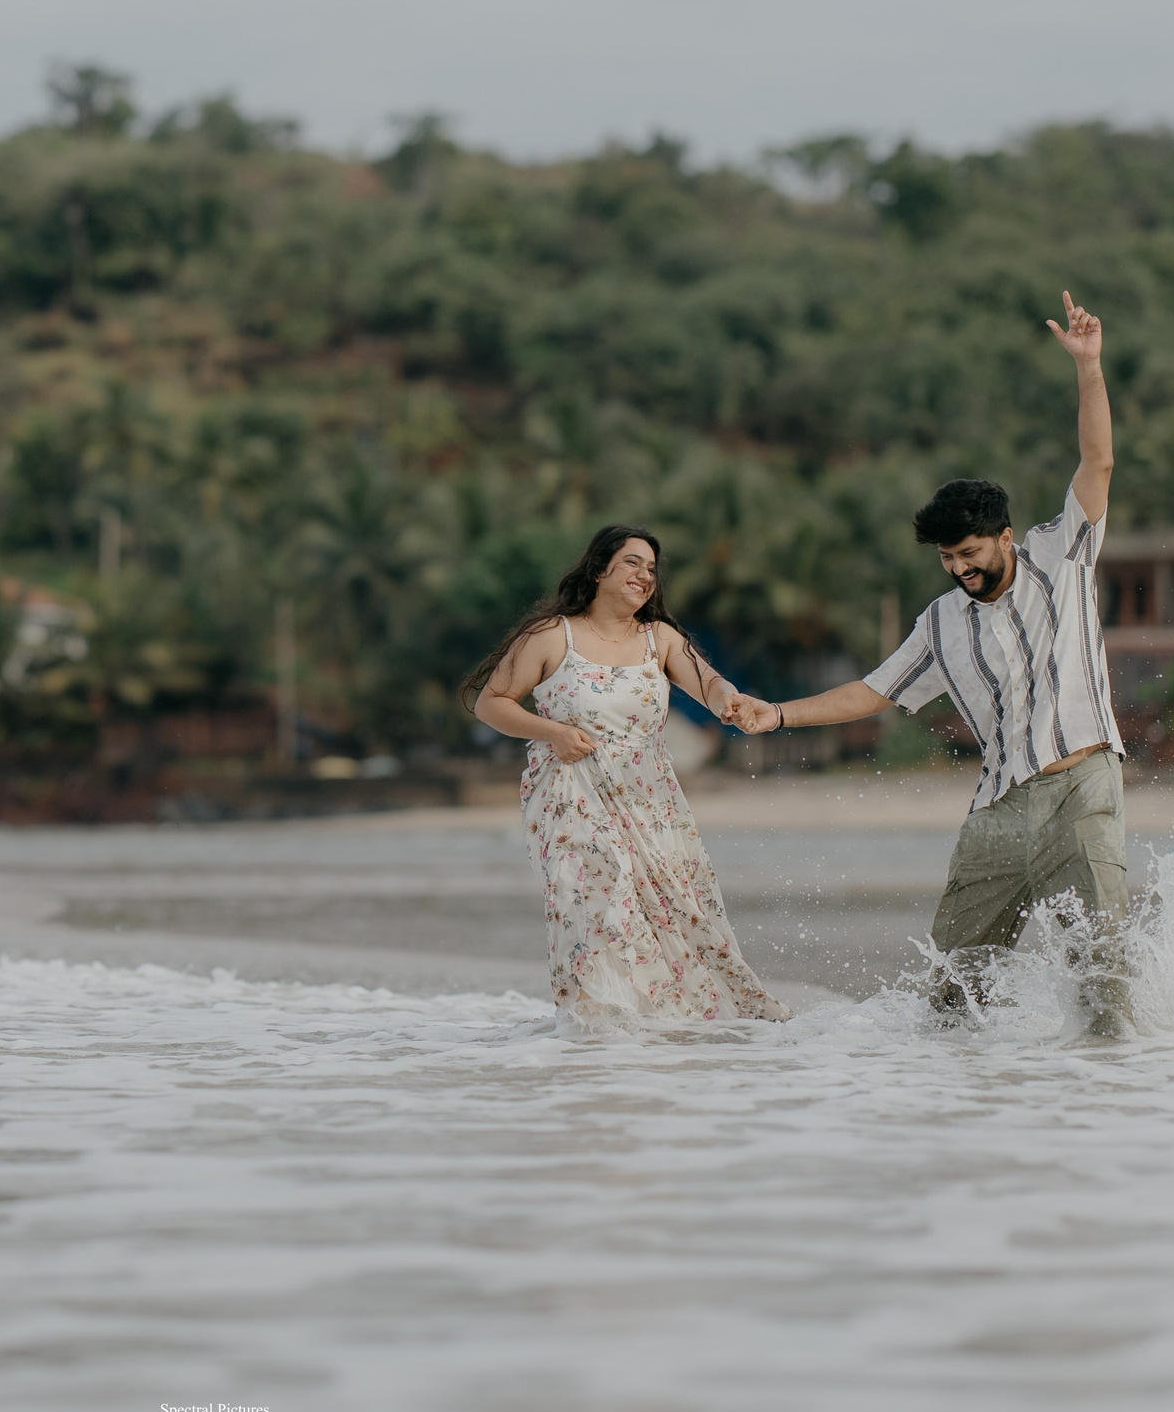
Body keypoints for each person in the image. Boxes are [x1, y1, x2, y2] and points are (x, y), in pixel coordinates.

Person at [730, 293, 1129, 1031]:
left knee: (1104, 975)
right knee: (951, 995)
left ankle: (1104, 1115)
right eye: (947, 558)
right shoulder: (942, 621)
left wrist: (1089, 370)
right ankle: (952, 1116)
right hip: (998, 812)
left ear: (1005, 537)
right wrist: (778, 713)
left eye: (970, 553)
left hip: (1083, 785)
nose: (959, 569)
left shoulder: (1061, 553)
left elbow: (1098, 458)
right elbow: (873, 690)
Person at [469, 525, 790, 1032]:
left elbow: (707, 682)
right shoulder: (553, 636)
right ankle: (597, 1028)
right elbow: (492, 703)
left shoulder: (658, 639)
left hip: (649, 794)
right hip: (570, 791)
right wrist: (551, 731)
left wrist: (730, 700)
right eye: (632, 563)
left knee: (673, 910)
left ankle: (664, 1027)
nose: (645, 575)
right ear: (600, 570)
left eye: (651, 568)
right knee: (597, 904)